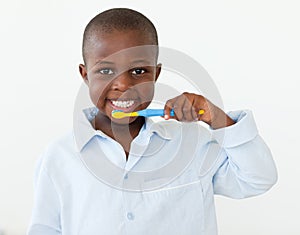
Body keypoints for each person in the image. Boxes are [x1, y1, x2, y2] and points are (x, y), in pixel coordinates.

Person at [27, 8, 277, 235]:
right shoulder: (58, 157)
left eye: (138, 71)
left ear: (156, 74)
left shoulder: (192, 144)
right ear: (85, 75)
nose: (123, 85)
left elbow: (258, 178)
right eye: (105, 71)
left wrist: (215, 117)